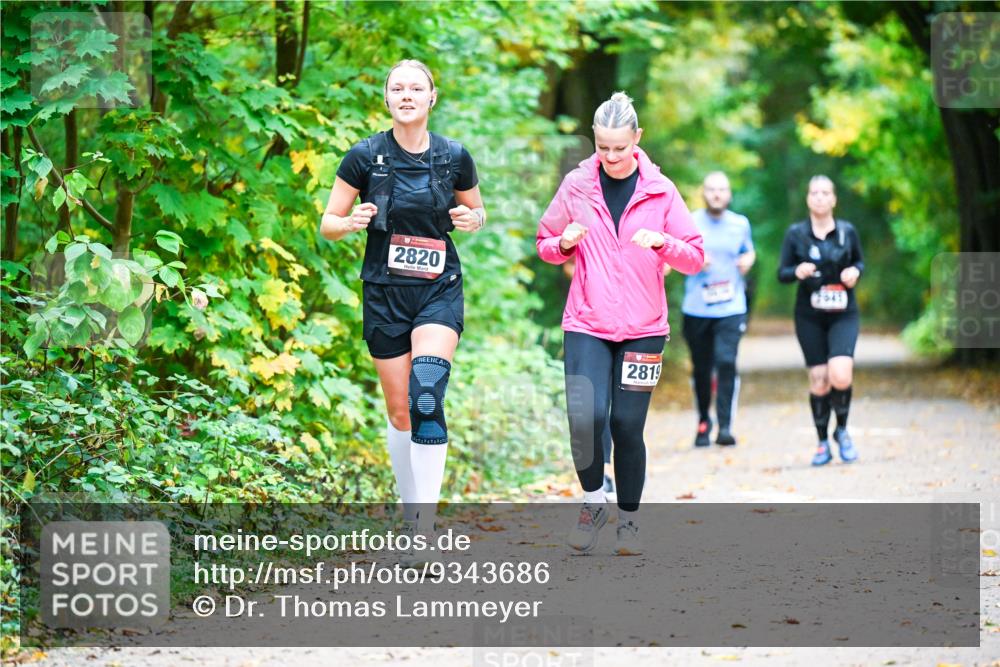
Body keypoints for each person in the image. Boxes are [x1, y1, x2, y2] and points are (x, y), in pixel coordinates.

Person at [319, 59, 485, 561]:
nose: (407, 95)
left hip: (438, 287)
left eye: (417, 88)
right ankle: (411, 512)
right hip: (385, 292)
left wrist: (471, 218)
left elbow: (477, 211)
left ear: (432, 97)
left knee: (427, 396)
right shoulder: (364, 156)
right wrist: (349, 224)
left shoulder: (455, 156)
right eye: (398, 88)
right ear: (387, 99)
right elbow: (327, 221)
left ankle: (423, 535)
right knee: (400, 412)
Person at [537, 92, 704, 555]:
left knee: (628, 426)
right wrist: (564, 243)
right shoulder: (576, 184)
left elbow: (694, 257)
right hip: (587, 321)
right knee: (585, 418)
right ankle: (594, 502)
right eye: (602, 146)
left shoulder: (661, 190)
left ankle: (628, 520)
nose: (610, 157)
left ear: (637, 138)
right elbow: (545, 242)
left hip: (644, 326)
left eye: (619, 147)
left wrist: (664, 242)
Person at [777, 175, 863, 466]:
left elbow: (859, 262)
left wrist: (855, 273)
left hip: (843, 314)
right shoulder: (796, 234)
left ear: (834, 199)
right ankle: (822, 442)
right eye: (815, 193)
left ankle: (841, 431)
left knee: (840, 374)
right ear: (808, 199)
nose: (820, 198)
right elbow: (782, 273)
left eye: (826, 192)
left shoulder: (847, 232)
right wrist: (797, 271)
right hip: (809, 315)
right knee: (819, 379)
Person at [680, 171, 755, 447]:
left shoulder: (740, 224)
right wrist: (694, 260)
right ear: (703, 193)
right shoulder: (689, 222)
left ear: (729, 194)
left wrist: (748, 260)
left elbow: (749, 251)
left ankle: (725, 426)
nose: (716, 194)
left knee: (726, 362)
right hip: (697, 308)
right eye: (711, 189)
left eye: (722, 190)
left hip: (731, 307)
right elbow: (675, 258)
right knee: (702, 368)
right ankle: (703, 421)